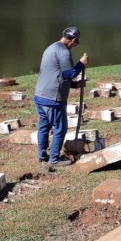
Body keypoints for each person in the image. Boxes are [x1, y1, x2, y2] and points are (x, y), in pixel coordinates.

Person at [34, 26, 89, 166]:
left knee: (44, 127)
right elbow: (68, 74)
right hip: (53, 98)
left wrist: (75, 85)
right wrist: (81, 64)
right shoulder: (64, 52)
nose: (74, 46)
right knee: (60, 128)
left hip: (40, 96)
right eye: (76, 43)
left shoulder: (51, 48)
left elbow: (56, 74)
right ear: (73, 40)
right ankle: (54, 159)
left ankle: (41, 155)